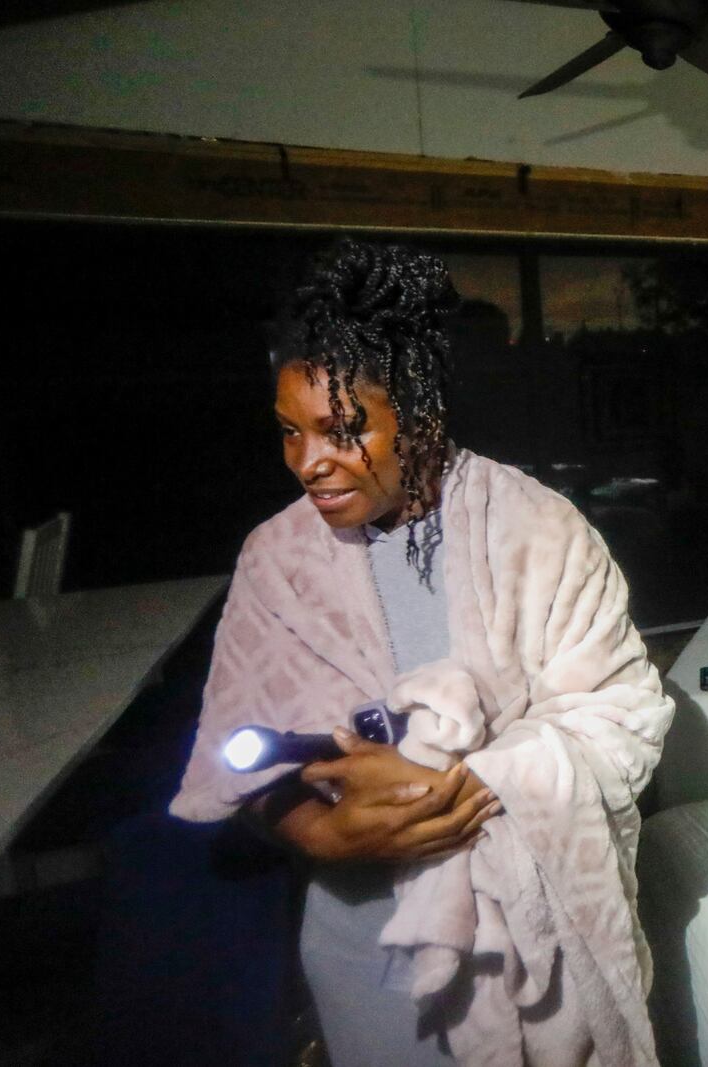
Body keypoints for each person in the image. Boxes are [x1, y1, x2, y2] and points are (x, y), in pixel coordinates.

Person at [170, 238, 674, 1067]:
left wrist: (477, 780)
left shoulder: (539, 532)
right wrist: (317, 834)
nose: (308, 463)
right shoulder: (276, 559)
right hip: (363, 955)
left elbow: (623, 716)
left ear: (420, 410)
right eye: (289, 433)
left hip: (531, 958)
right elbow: (243, 749)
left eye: (340, 430)